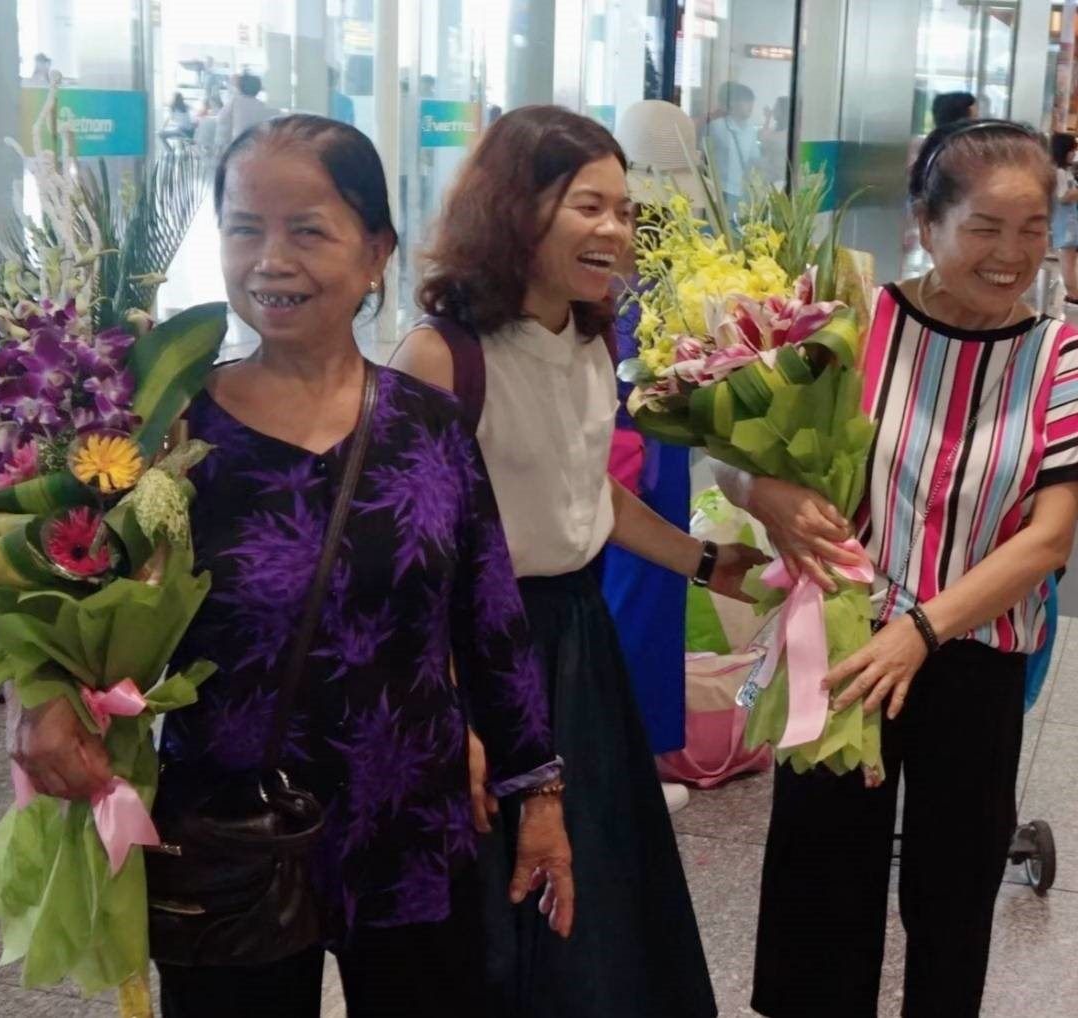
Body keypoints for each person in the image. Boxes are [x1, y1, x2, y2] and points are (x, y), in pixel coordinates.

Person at [6, 113, 575, 1018]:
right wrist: (37, 692)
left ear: (377, 249)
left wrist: (536, 795)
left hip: (413, 833)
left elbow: (492, 621)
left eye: (308, 229)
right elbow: (62, 592)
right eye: (245, 228)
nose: (271, 259)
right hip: (230, 832)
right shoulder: (164, 432)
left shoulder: (429, 428)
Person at [393, 105, 765, 1018]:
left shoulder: (594, 340)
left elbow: (588, 492)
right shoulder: (442, 357)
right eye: (586, 206)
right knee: (499, 905)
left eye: (624, 211)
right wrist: (450, 717)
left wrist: (704, 561)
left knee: (596, 889)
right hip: (478, 653)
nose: (615, 231)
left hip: (578, 641)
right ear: (516, 210)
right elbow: (408, 564)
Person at [718, 119, 1078, 1018]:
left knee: (954, 892)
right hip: (840, 638)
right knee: (819, 886)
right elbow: (728, 446)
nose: (1012, 255)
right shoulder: (847, 325)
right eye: (986, 228)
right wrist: (765, 493)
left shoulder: (1060, 354)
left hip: (972, 650)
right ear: (924, 223)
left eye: (1034, 229)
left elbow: (1049, 537)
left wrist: (922, 630)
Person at [605, 100, 705, 797]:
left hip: (643, 449)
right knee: (637, 597)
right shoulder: (664, 262)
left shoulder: (614, 249)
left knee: (646, 594)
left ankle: (633, 756)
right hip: (634, 453)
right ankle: (627, 757)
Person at [706, 81, 760, 213]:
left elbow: (754, 158)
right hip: (721, 189)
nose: (750, 106)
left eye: (751, 101)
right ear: (733, 103)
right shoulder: (717, 126)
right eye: (746, 101)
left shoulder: (751, 129)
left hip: (742, 191)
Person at [215, 71, 274, 150]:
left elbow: (221, 118)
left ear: (240, 87)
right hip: (258, 147)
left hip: (239, 145)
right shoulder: (263, 106)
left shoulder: (236, 101)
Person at [1051, 132, 1078, 305]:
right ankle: (1073, 296)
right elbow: (1062, 196)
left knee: (1070, 260)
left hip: (1070, 221)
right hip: (1064, 222)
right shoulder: (1058, 172)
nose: (1074, 154)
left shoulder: (1065, 171)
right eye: (1072, 150)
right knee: (1067, 260)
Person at [759, 96, 790, 187]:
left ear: (784, 111)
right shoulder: (774, 130)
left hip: (780, 178)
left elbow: (765, 138)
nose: (773, 110)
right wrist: (767, 118)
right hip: (769, 176)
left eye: (776, 107)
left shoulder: (788, 132)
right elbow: (763, 139)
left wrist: (768, 118)